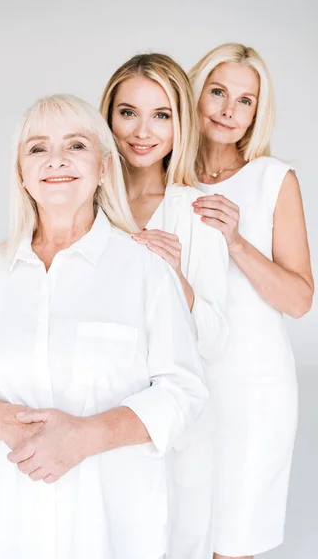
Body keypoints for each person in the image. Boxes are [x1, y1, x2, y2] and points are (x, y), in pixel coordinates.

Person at [0, 54, 230, 559]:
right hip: (9, 527)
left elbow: (185, 389)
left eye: (76, 146)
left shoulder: (145, 269)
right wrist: (2, 423)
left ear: (103, 167)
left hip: (115, 527)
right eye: (39, 148)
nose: (56, 160)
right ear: (21, 171)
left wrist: (85, 437)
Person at [100, 53, 229, 559]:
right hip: (102, 414)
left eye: (162, 115)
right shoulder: (88, 204)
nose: (142, 132)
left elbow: (216, 338)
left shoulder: (195, 213)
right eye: (128, 112)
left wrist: (177, 276)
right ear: (107, 116)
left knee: (177, 542)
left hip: (180, 426)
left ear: (182, 123)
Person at [188, 42, 314, 559]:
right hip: (174, 382)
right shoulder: (163, 176)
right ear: (194, 94)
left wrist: (237, 242)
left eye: (245, 100)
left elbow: (300, 299)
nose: (227, 110)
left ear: (258, 112)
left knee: (233, 541)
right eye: (217, 92)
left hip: (252, 389)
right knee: (173, 531)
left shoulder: (273, 180)